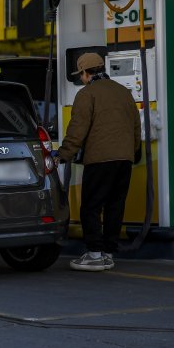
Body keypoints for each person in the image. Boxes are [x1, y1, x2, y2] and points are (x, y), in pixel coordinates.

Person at [56, 52, 141, 272]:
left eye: (81, 74)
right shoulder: (124, 92)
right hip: (124, 159)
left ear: (86, 73)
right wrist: (134, 152)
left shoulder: (87, 94)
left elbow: (77, 130)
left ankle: (94, 254)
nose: (81, 79)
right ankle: (108, 253)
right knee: (115, 205)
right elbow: (136, 126)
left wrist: (63, 154)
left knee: (91, 206)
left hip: (100, 159)